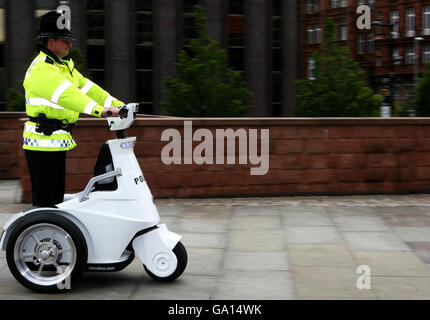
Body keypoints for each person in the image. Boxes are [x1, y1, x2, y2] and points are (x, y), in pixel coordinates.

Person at [23, 10, 123, 207]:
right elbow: (68, 95)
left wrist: (119, 105)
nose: (70, 44)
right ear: (51, 40)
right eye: (65, 39)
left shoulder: (64, 66)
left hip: (55, 142)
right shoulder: (41, 68)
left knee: (55, 200)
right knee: (45, 202)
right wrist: (100, 111)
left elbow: (90, 89)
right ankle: (38, 234)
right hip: (41, 142)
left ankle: (52, 234)